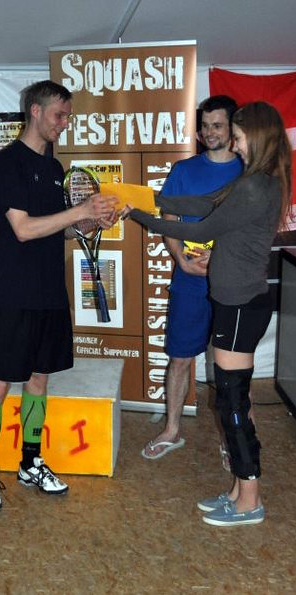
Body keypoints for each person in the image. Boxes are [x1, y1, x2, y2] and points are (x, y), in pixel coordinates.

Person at [119, 101, 292, 526]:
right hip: (238, 302)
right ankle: (238, 492)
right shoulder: (256, 181)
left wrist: (138, 214)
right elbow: (200, 203)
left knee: (232, 403)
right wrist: (138, 198)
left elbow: (198, 228)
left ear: (257, 136)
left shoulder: (254, 186)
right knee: (232, 398)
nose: (234, 142)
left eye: (239, 135)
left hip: (239, 306)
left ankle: (249, 501)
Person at [0, 80, 115, 512]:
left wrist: (87, 223)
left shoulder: (55, 168)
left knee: (39, 379)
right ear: (35, 111)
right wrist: (80, 210)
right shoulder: (6, 164)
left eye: (68, 116)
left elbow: (56, 228)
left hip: (50, 292)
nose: (64, 123)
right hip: (11, 292)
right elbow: (22, 229)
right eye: (59, 114)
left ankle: (30, 463)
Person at [141, 95, 243, 461]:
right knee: (180, 357)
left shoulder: (248, 171)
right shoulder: (184, 170)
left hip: (233, 282)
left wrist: (224, 257)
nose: (210, 132)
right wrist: (181, 259)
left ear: (232, 129)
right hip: (190, 281)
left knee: (231, 366)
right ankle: (172, 430)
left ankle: (233, 438)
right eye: (205, 126)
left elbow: (252, 225)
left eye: (217, 125)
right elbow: (168, 218)